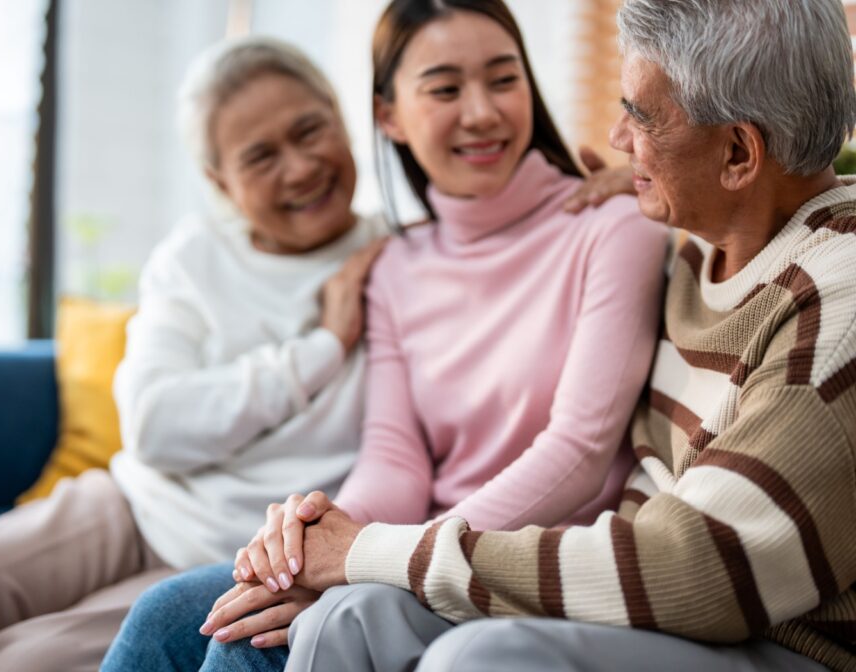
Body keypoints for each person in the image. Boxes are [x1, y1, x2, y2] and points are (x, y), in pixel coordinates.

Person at [268, 0, 856, 670]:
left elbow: (701, 569)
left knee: (479, 660)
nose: (614, 138)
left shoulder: (835, 304)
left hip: (773, 638)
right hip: (657, 601)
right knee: (345, 621)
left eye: (640, 115)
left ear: (738, 153)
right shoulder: (706, 249)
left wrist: (375, 551)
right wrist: (322, 538)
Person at [101, 1, 667, 669]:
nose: (482, 112)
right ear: (388, 116)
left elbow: (580, 451)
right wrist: (318, 534)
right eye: (445, 89)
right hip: (409, 545)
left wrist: (376, 557)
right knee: (167, 616)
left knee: (245, 649)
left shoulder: (614, 225)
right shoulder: (397, 264)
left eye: (502, 78)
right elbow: (397, 457)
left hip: (521, 557)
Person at [0, 37, 389, 672]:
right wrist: (323, 348)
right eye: (261, 156)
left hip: (232, 553)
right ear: (221, 181)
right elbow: (155, 427)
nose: (300, 168)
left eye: (310, 131)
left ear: (341, 119)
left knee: (19, 663)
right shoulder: (192, 261)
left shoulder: (394, 260)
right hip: (128, 507)